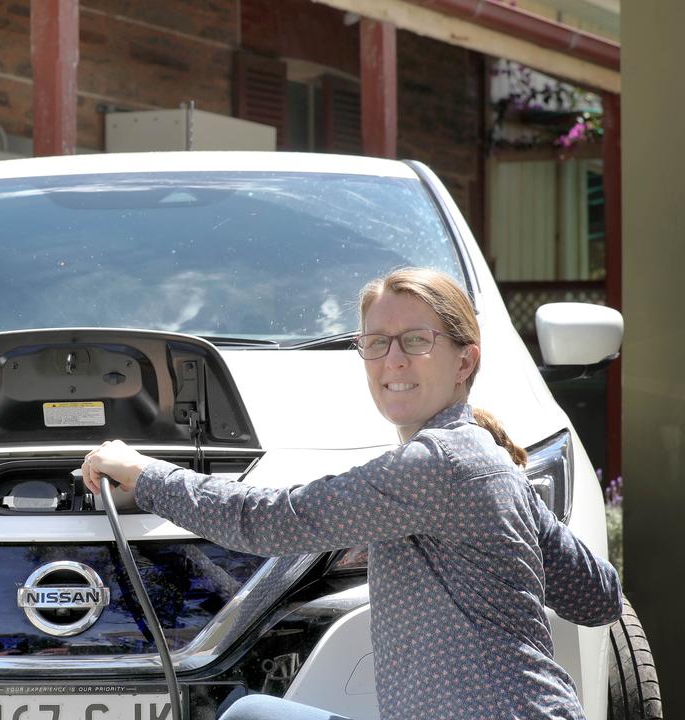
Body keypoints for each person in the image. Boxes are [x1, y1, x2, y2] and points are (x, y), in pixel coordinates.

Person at [81, 267, 622, 720]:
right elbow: (600, 596)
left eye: (416, 340)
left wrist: (141, 473)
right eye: (376, 343)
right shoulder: (485, 464)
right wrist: (517, 518)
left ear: (465, 361)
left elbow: (267, 521)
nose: (393, 361)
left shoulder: (439, 463)